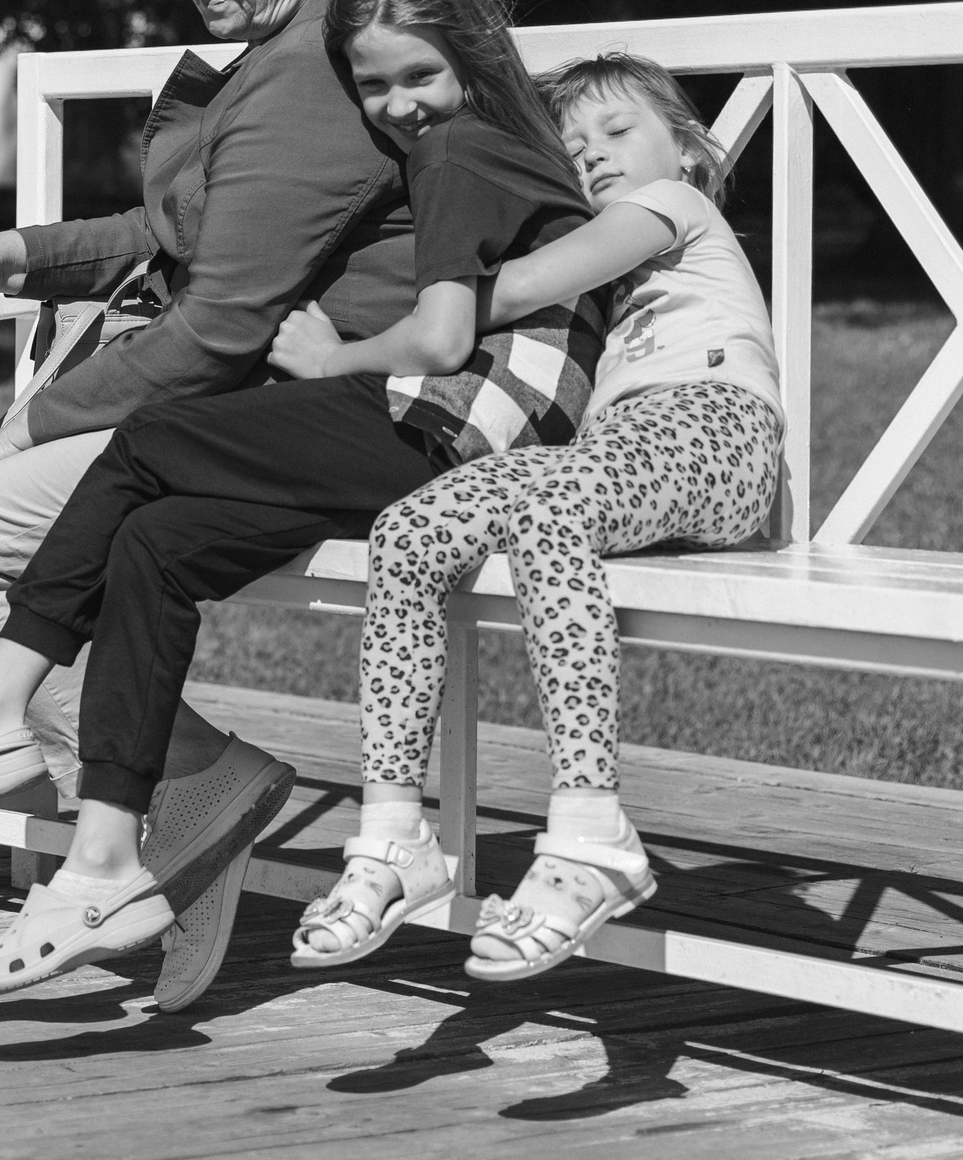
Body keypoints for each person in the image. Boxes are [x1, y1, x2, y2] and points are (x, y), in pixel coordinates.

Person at [0, 0, 596, 1000]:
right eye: (374, 87)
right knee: (158, 545)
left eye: (417, 74)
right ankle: (109, 860)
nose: (396, 106)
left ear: (468, 44)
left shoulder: (456, 150)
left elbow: (447, 338)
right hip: (425, 436)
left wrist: (329, 357)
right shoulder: (459, 140)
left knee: (148, 445)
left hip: (452, 434)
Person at [0, 0, 412, 1011]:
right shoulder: (259, 53)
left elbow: (217, 329)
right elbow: (171, 230)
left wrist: (25, 424)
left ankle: (157, 795)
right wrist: (16, 251)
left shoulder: (311, 71)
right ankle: (186, 789)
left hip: (312, 413)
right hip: (232, 404)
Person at [287, 50, 783, 983]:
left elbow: (506, 292)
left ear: (686, 147)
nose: (592, 155)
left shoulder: (676, 207)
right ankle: (395, 835)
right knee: (408, 529)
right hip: (619, 459)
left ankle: (593, 832)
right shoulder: (608, 273)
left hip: (715, 430)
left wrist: (342, 355)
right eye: (573, 144)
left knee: (549, 506)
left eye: (617, 131)